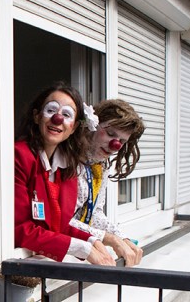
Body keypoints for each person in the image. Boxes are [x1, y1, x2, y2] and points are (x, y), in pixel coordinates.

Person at [14, 82, 115, 265]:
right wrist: (82, 248)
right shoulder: (19, 156)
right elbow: (20, 228)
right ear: (37, 116)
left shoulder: (66, 169)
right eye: (51, 110)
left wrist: (92, 240)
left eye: (66, 114)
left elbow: (59, 224)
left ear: (74, 127)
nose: (58, 118)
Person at [70, 98, 146, 266]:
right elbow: (60, 220)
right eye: (110, 134)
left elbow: (95, 212)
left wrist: (121, 238)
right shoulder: (65, 160)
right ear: (92, 125)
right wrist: (109, 238)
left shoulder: (100, 165)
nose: (115, 145)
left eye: (122, 141)